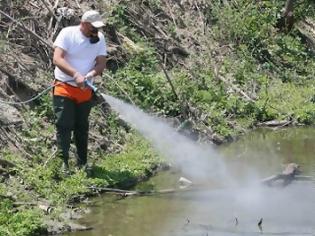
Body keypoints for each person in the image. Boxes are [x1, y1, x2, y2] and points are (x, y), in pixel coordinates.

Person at [52, 10, 107, 174]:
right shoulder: (67, 34)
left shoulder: (100, 39)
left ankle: (82, 163)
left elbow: (101, 63)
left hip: (84, 90)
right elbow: (57, 58)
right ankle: (64, 163)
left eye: (98, 28)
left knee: (82, 126)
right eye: (93, 28)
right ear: (83, 23)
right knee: (64, 125)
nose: (96, 31)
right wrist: (75, 74)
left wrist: (90, 75)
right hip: (64, 86)